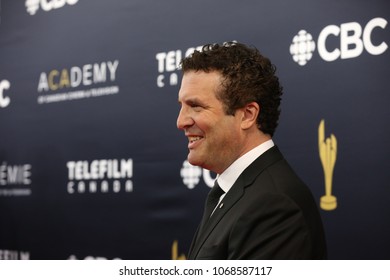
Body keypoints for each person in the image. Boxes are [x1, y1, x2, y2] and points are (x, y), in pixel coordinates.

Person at [176, 42, 327, 260]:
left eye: (196, 106)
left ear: (247, 115)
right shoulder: (239, 191)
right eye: (181, 106)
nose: (181, 122)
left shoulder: (274, 206)